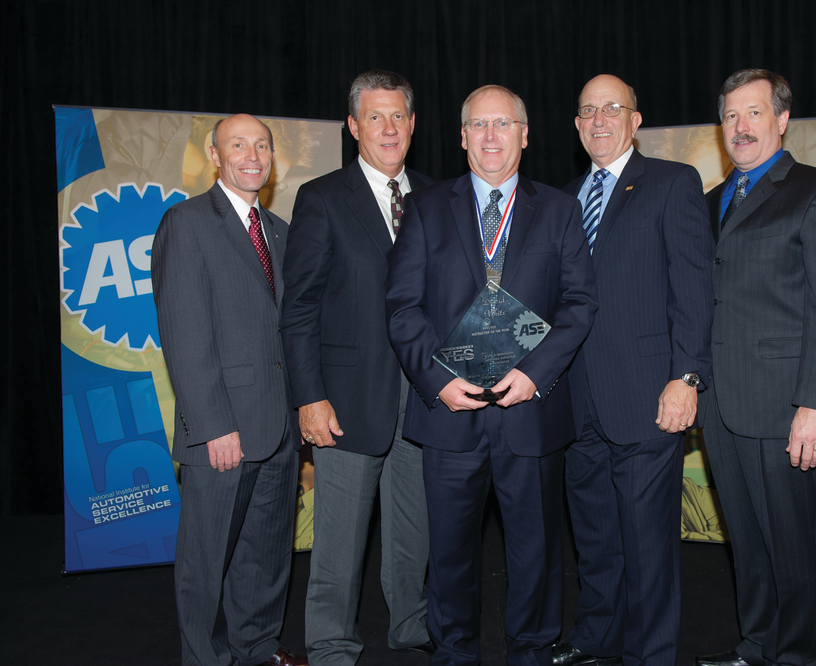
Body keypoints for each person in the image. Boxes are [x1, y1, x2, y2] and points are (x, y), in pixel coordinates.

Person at [385, 84, 598, 666]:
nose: (490, 136)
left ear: (524, 135)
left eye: (502, 124)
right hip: (449, 413)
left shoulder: (558, 208)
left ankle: (530, 651)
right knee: (450, 552)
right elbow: (402, 307)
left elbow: (580, 304)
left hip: (530, 411)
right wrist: (437, 380)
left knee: (536, 552)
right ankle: (454, 652)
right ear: (460, 137)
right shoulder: (425, 208)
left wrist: (535, 373)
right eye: (478, 125)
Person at [696, 69, 816, 666]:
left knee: (792, 553)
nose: (741, 127)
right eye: (731, 115)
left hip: (787, 407)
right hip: (720, 406)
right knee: (748, 547)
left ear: (782, 119)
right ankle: (756, 647)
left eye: (754, 113)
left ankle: (798, 658)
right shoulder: (711, 202)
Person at [553, 74, 714, 666]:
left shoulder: (673, 183)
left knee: (648, 544)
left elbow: (695, 288)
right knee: (594, 536)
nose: (599, 120)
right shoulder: (563, 198)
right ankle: (596, 639)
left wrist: (687, 375)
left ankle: (651, 654)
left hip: (650, 395)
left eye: (611, 109)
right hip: (575, 400)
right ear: (576, 124)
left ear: (635, 120)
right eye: (587, 110)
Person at [280, 70, 435, 665]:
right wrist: (308, 398)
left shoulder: (434, 196)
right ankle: (329, 644)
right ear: (353, 126)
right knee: (339, 539)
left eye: (398, 116)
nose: (388, 128)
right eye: (375, 116)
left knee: (413, 531)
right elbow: (299, 311)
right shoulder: (321, 199)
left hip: (422, 399)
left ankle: (411, 626)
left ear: (413, 124)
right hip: (344, 400)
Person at [151, 113, 306, 666]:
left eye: (261, 145)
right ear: (215, 156)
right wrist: (215, 425)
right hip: (222, 433)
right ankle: (205, 658)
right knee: (206, 561)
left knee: (265, 557)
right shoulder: (188, 222)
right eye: (237, 144)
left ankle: (257, 647)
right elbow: (185, 333)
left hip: (278, 430)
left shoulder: (283, 232)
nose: (252, 154)